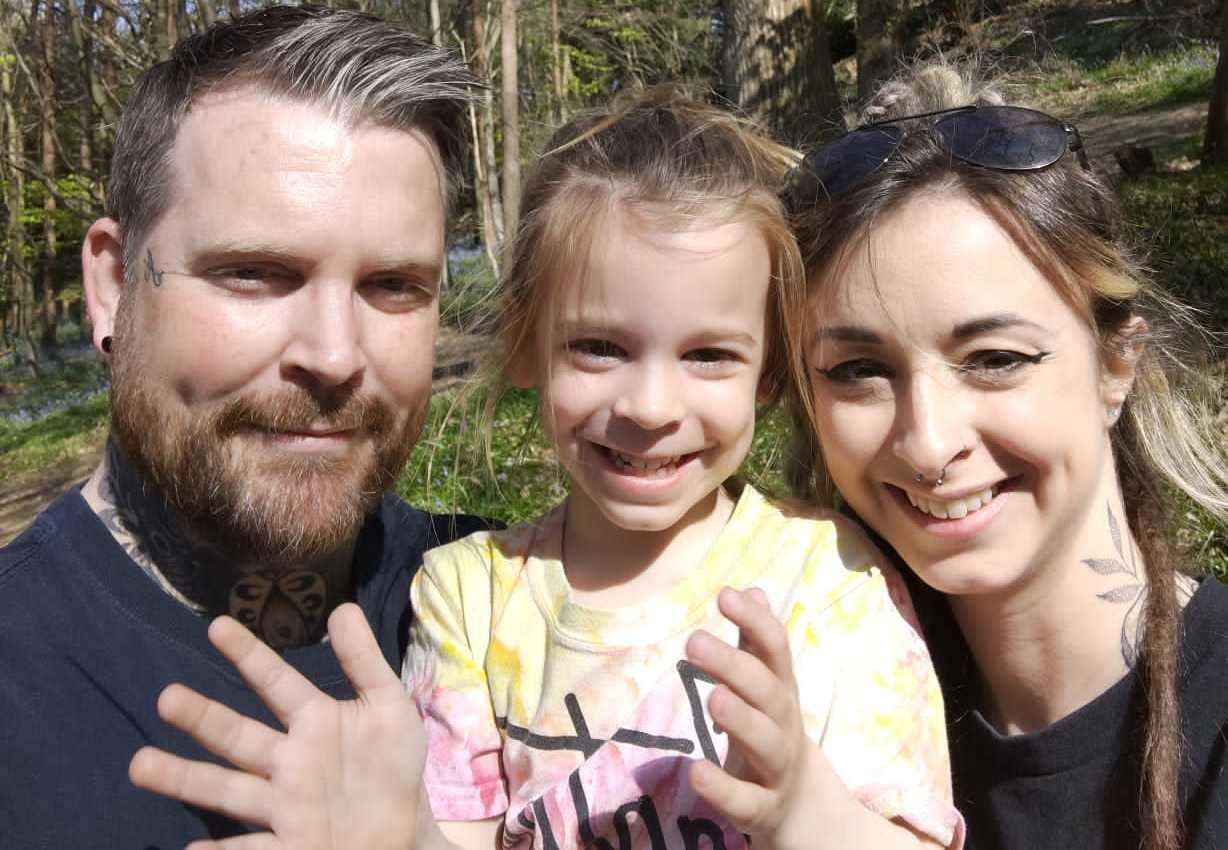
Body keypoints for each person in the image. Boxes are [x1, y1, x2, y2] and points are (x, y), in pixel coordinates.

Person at [127, 88, 965, 850]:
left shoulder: (828, 582)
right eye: (600, 347)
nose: (649, 405)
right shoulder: (469, 600)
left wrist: (802, 813)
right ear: (527, 343)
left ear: (769, 375)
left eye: (709, 356)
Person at [0, 6, 487, 847]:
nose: (335, 355)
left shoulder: (519, 609)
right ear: (113, 286)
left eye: (395, 285)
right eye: (256, 274)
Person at [786, 63, 1228, 850]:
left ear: (1114, 367)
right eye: (859, 371)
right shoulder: (811, 711)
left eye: (995, 357)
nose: (927, 443)